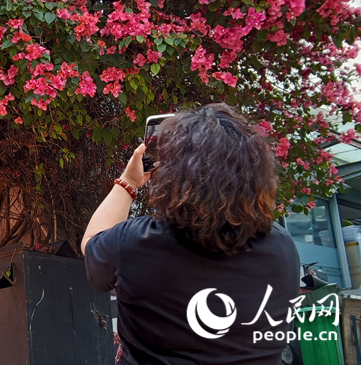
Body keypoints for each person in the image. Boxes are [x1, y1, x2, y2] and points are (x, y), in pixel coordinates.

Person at [81, 103, 301, 365]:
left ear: (173, 175)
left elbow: (91, 243)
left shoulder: (136, 244)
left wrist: (128, 183)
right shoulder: (281, 247)